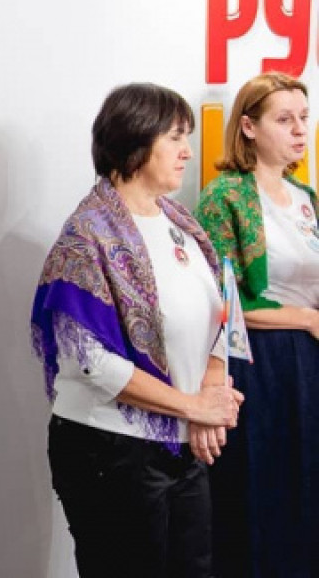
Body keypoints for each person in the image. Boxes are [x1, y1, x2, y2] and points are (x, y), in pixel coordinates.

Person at [31, 82, 244, 578]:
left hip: (182, 442)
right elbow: (89, 361)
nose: (188, 151)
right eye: (175, 137)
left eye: (187, 136)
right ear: (135, 141)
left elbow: (223, 310)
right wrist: (193, 406)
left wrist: (211, 395)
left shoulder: (181, 222)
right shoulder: (87, 235)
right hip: (111, 449)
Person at [194, 72, 319, 576]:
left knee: (307, 487)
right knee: (262, 489)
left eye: (304, 118)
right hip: (258, 363)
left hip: (309, 360)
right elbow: (218, 298)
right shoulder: (225, 196)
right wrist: (305, 318)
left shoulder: (306, 197)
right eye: (285, 119)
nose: (300, 130)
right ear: (248, 127)